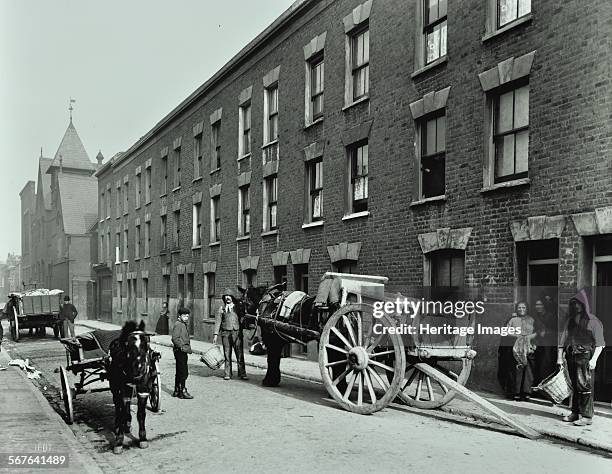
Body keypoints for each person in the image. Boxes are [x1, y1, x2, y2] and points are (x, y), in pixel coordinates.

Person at [557, 290, 605, 426]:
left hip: (584, 357)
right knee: (575, 386)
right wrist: (559, 358)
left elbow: (600, 343)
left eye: (579, 304)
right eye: (574, 304)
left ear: (584, 305)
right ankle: (575, 413)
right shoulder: (570, 321)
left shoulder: (593, 321)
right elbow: (563, 339)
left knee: (584, 386)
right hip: (571, 355)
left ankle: (587, 416)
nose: (576, 306)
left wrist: (594, 359)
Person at [498, 302, 537, 400]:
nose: (521, 309)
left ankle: (526, 392)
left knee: (528, 369)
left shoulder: (532, 320)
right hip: (515, 348)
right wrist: (517, 336)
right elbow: (505, 331)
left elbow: (537, 332)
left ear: (527, 308)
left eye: (523, 307)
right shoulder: (512, 320)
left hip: (528, 347)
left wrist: (529, 337)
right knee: (515, 369)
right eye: (519, 307)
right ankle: (515, 392)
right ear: (516, 309)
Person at [213, 288, 247, 381]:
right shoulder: (222, 309)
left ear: (232, 297)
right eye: (226, 296)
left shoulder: (237, 308)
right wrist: (215, 334)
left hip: (237, 333)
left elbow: (244, 317)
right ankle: (228, 373)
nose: (228, 298)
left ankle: (242, 373)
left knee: (239, 354)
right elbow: (218, 322)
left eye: (229, 296)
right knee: (227, 354)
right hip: (225, 334)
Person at [532, 298, 557, 386]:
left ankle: (545, 387)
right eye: (537, 305)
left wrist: (546, 333)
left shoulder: (550, 316)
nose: (538, 307)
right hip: (538, 343)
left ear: (545, 306)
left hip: (548, 345)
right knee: (537, 365)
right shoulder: (535, 316)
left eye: (540, 304)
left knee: (546, 365)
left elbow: (556, 331)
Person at [171, 307, 193, 399]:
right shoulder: (178, 324)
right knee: (183, 372)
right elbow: (174, 338)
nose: (186, 318)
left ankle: (176, 390)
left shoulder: (182, 324)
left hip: (181, 351)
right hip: (180, 351)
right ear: (179, 316)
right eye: (184, 316)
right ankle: (182, 391)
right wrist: (182, 347)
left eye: (187, 316)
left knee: (179, 371)